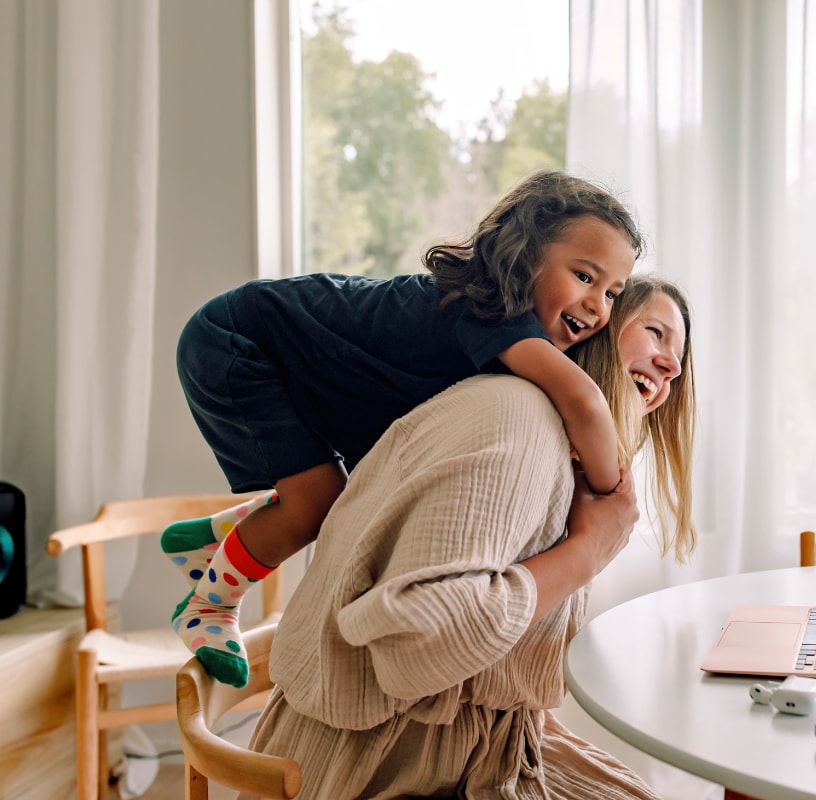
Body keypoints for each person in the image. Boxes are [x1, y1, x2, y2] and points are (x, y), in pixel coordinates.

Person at [162, 171, 643, 688]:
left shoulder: (499, 332)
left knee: (343, 491)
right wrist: (610, 496)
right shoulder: (490, 310)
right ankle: (208, 607)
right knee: (317, 505)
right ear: (525, 257)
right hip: (237, 341)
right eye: (585, 277)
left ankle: (215, 542)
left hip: (283, 353)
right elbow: (586, 403)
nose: (598, 307)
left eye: (614, 292)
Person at [241, 275, 695, 800]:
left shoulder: (556, 445)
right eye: (656, 333)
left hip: (471, 749)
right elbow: (419, 642)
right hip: (381, 769)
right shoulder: (521, 422)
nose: (673, 367)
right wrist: (588, 551)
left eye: (678, 359)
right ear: (592, 326)